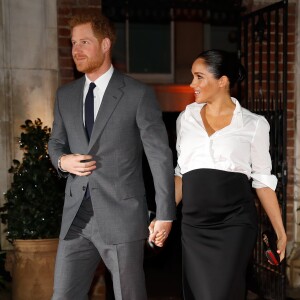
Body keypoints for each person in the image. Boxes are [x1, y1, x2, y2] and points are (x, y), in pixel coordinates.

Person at [48, 12, 176, 300]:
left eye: (84, 42)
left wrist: (165, 213)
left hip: (122, 218)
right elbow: (55, 142)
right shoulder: (65, 96)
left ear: (105, 44)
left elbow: (159, 156)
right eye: (72, 43)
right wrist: (62, 161)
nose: (76, 50)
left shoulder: (137, 94)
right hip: (76, 219)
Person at [173, 49, 286, 299]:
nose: (192, 84)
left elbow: (263, 181)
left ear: (222, 81)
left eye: (199, 77)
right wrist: (163, 215)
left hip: (234, 223)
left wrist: (280, 231)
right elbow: (181, 173)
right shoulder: (186, 119)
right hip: (194, 227)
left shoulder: (254, 124)